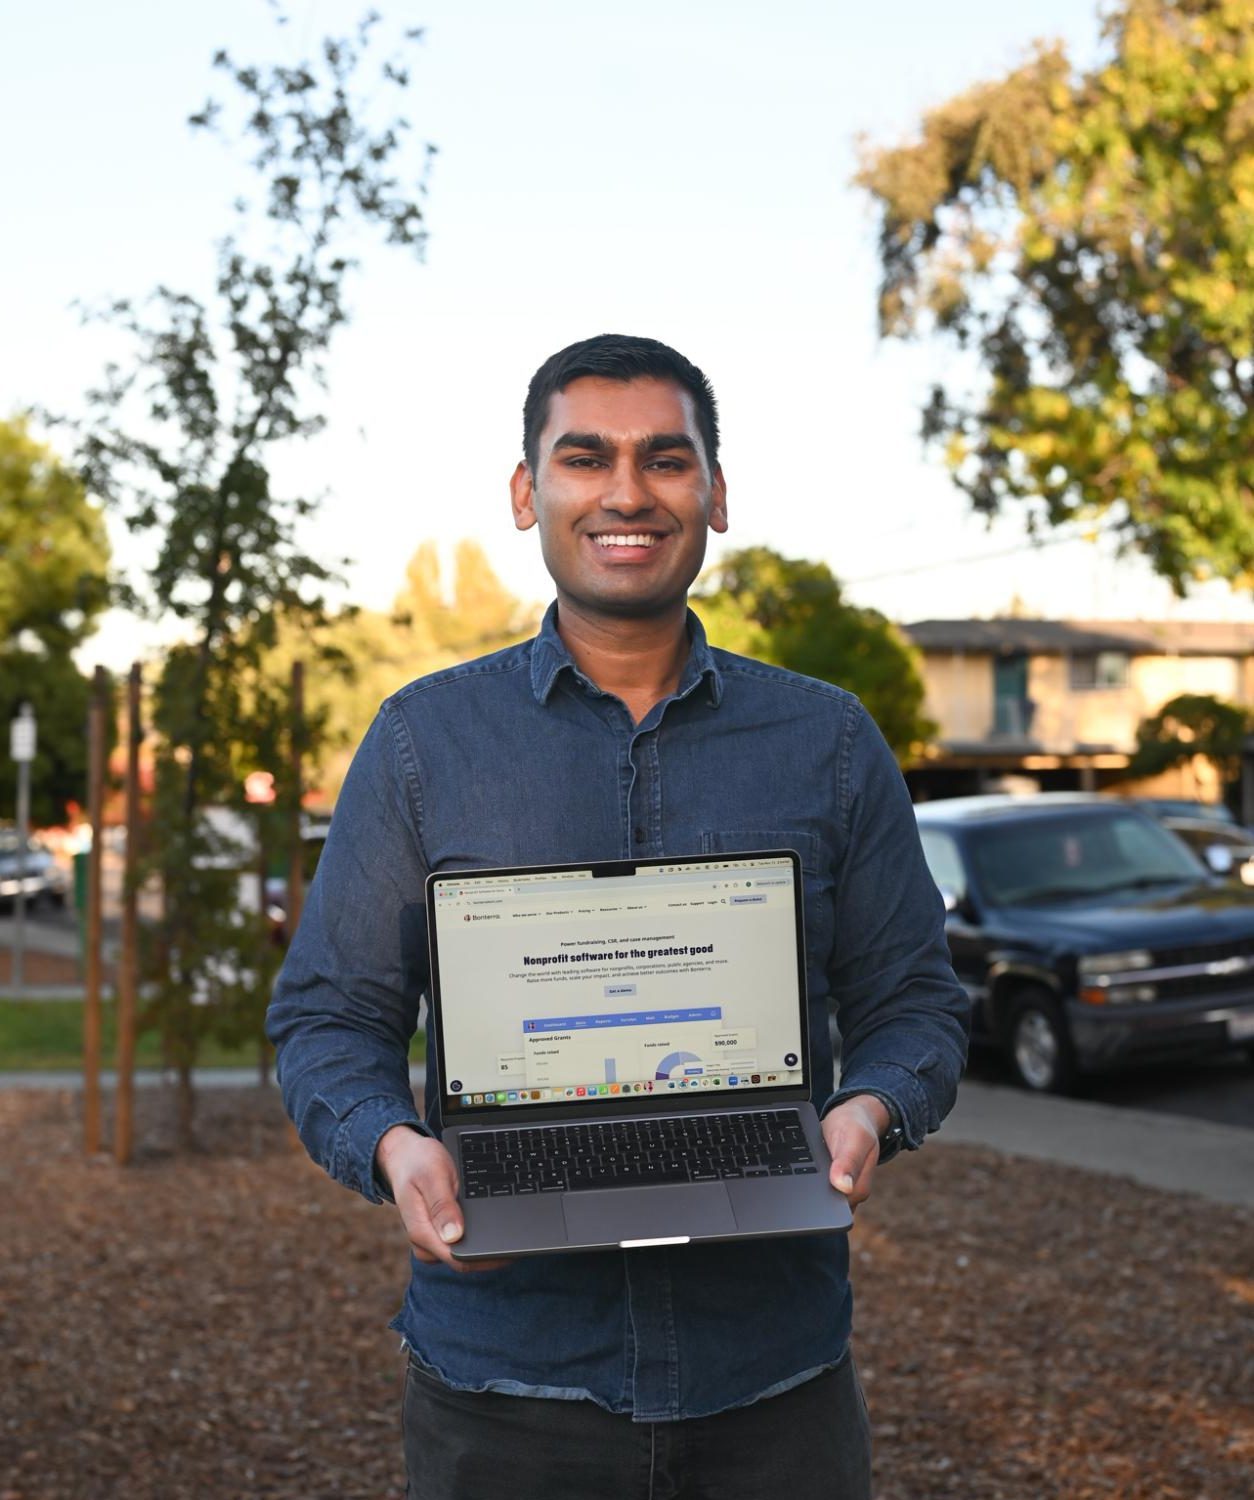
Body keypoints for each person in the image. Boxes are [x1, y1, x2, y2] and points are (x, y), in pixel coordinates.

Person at [267, 333, 970, 1499]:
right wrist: (391, 1145)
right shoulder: (421, 743)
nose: (628, 492)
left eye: (667, 459)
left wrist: (867, 1109)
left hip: (774, 1383)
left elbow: (915, 1004)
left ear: (717, 493)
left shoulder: (830, 742)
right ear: (527, 491)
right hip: (506, 1387)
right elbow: (330, 1015)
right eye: (586, 457)